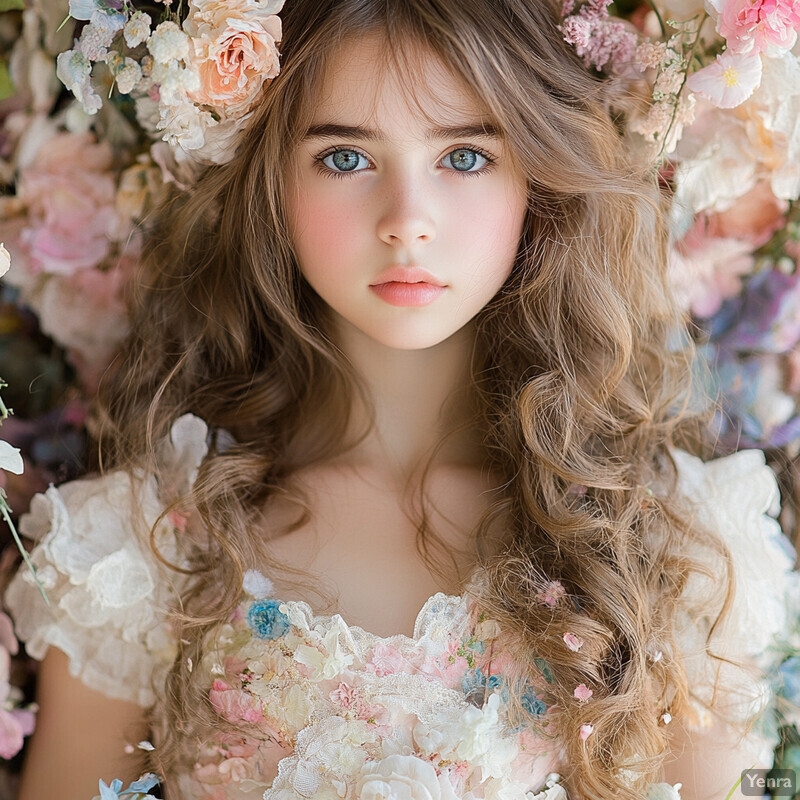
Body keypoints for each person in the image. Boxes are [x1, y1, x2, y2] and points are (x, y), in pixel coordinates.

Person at [4, 0, 799, 798]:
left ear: (539, 175)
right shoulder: (143, 551)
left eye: (464, 158)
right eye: (346, 159)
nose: (407, 222)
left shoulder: (672, 554)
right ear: (272, 183)